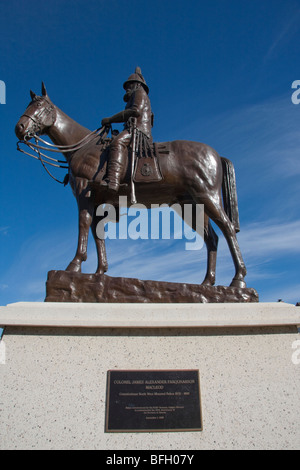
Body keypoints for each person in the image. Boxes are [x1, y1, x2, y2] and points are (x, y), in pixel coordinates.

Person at [101, 67, 153, 193]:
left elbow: (134, 111)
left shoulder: (139, 93)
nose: (127, 89)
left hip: (138, 131)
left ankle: (113, 180)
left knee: (117, 143)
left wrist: (111, 119)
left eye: (129, 86)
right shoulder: (134, 95)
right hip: (132, 129)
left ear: (136, 85)